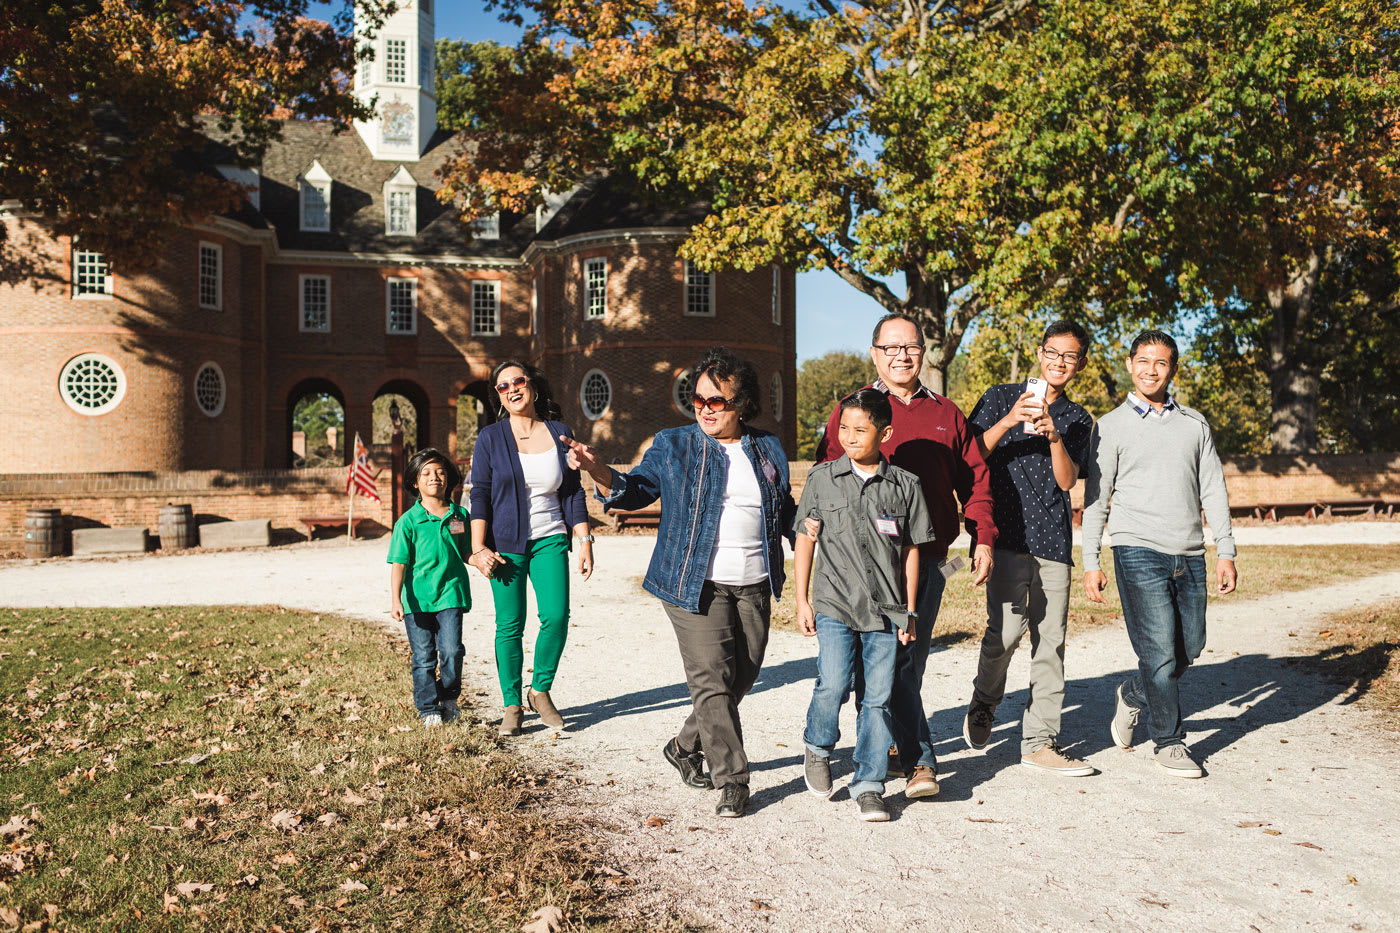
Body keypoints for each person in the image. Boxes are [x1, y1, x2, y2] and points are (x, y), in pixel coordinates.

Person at [564, 347, 796, 819]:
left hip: (754, 580)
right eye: (698, 399)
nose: (705, 409)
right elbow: (635, 489)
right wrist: (596, 470)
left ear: (742, 404)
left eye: (717, 401)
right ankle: (731, 778)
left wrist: (812, 531)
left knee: (741, 677)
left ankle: (683, 746)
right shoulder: (675, 444)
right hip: (693, 582)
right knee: (711, 678)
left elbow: (782, 508)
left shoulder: (767, 447)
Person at [815, 313, 996, 800]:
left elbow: (976, 481)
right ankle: (889, 752)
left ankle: (914, 760)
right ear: (874, 353)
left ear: (923, 352)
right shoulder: (851, 412)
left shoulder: (948, 414)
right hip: (857, 566)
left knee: (903, 663)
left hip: (930, 560)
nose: (902, 356)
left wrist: (983, 536)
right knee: (863, 669)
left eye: (911, 347)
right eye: (890, 348)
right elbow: (825, 479)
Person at [1081, 329, 1238, 778]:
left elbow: (1214, 489)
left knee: (1190, 645)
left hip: (1188, 552)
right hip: (1136, 550)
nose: (1152, 370)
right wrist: (1091, 561)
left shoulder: (1195, 424)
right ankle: (1168, 741)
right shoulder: (1108, 427)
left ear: (1173, 368)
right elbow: (1096, 499)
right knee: (1160, 653)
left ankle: (1132, 694)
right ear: (1130, 365)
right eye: (1144, 361)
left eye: (1162, 362)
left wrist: (1224, 549)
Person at [962, 320, 1096, 776]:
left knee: (1051, 642)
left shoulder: (1077, 418)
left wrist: (1055, 436)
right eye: (1053, 353)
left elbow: (1067, 481)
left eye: (1070, 357)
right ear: (1040, 354)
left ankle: (1040, 740)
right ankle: (984, 700)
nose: (1060, 363)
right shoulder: (1001, 396)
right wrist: (1010, 419)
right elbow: (972, 454)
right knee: (1004, 635)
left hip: (1053, 541)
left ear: (1079, 365)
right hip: (1004, 536)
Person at [795, 388, 934, 822]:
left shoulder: (905, 486)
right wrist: (801, 599)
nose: (849, 436)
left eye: (861, 429)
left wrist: (910, 610)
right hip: (835, 603)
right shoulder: (821, 479)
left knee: (878, 698)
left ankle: (869, 784)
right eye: (843, 428)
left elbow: (912, 551)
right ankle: (818, 746)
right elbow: (805, 538)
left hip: (886, 612)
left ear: (885, 432)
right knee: (833, 683)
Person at [469, 361, 594, 737]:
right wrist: (477, 548)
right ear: (499, 397)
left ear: (532, 387)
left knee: (556, 616)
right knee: (510, 625)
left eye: (517, 381)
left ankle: (539, 691)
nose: (511, 389)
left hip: (551, 538)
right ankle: (511, 704)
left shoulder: (560, 433)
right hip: (504, 546)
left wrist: (584, 539)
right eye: (502, 387)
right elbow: (481, 495)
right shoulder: (490, 438)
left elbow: (572, 490)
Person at [388, 448, 471, 729]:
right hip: (417, 601)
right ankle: (427, 708)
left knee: (451, 651)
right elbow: (399, 563)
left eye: (439, 472)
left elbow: (466, 552)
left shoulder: (459, 515)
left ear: (448, 478)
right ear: (415, 482)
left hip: (451, 594)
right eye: (426, 473)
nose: (434, 477)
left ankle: (448, 699)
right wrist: (396, 599)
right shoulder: (408, 522)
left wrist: (486, 561)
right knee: (423, 657)